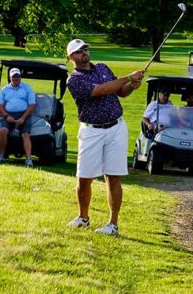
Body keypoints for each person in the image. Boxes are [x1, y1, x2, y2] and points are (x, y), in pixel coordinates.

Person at [65, 38, 144, 236]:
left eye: (85, 48)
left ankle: (113, 224)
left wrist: (132, 85)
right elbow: (100, 91)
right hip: (91, 130)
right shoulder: (74, 80)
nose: (83, 52)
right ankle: (83, 217)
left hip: (116, 127)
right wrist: (128, 77)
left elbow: (120, 92)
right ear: (71, 57)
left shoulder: (103, 68)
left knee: (113, 176)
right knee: (84, 178)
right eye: (78, 51)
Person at [0, 67, 36, 166]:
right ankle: (1, 156)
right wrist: (7, 116)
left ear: (20, 77)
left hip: (24, 113)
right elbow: (0, 106)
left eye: (17, 76)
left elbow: (32, 105)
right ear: (10, 77)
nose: (16, 78)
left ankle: (29, 159)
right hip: (8, 114)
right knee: (3, 131)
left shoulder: (27, 88)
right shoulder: (4, 89)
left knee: (25, 134)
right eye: (14, 76)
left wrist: (23, 118)